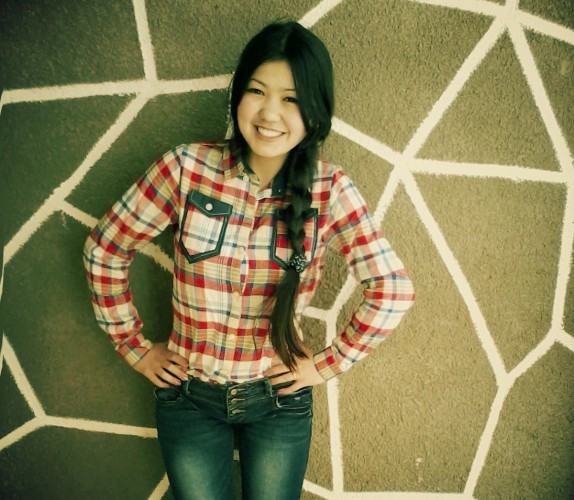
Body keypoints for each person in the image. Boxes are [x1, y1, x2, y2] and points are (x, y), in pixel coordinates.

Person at [83, 20, 415, 500]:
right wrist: (133, 347)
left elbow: (392, 289)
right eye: (257, 91)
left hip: (278, 402)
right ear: (238, 95)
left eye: (291, 98)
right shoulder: (185, 168)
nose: (270, 113)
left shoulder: (330, 189)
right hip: (189, 400)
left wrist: (326, 365)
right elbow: (104, 250)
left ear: (315, 111)